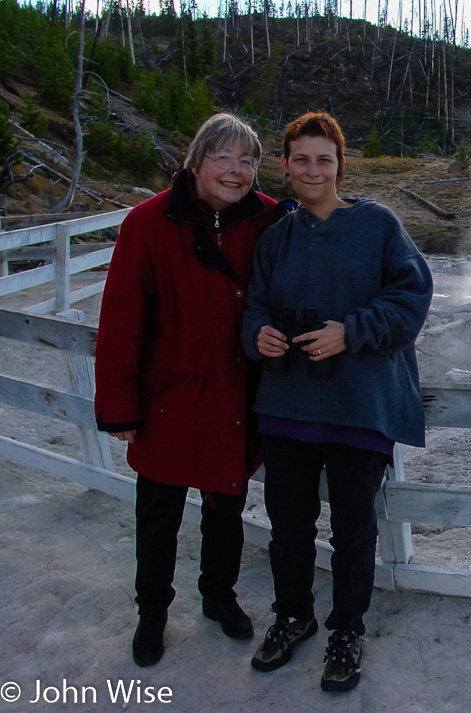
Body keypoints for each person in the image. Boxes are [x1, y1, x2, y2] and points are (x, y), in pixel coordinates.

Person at [240, 111, 432, 693]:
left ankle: (346, 632)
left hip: (359, 405)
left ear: (340, 166)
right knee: (289, 526)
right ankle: (293, 616)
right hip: (288, 404)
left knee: (353, 531)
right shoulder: (276, 238)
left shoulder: (377, 226)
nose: (312, 169)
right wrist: (258, 335)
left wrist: (351, 332)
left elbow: (411, 298)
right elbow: (253, 307)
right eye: (301, 159)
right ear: (285, 166)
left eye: (324, 159)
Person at [94, 113, 277, 667]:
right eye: (223, 157)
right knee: (158, 515)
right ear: (196, 162)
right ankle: (152, 612)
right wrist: (119, 406)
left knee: (226, 508)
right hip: (168, 398)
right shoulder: (147, 222)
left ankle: (218, 596)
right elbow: (121, 321)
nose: (236, 170)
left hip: (235, 396)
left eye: (247, 160)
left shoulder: (267, 220)